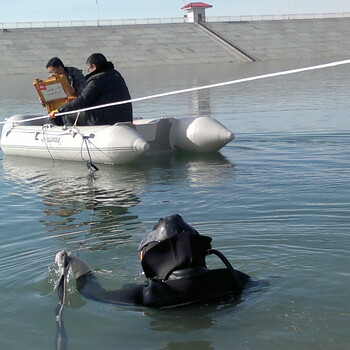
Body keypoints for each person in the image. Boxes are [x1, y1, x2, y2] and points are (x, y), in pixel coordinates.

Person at [55, 214, 251, 308]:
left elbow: (94, 293)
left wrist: (79, 267)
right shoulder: (234, 279)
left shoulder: (147, 295)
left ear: (151, 256)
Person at [50, 53, 133, 126]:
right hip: (125, 117)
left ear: (94, 66)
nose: (89, 71)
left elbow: (83, 100)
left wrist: (61, 110)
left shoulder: (96, 79)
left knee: (68, 115)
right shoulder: (116, 74)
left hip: (105, 120)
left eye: (89, 69)